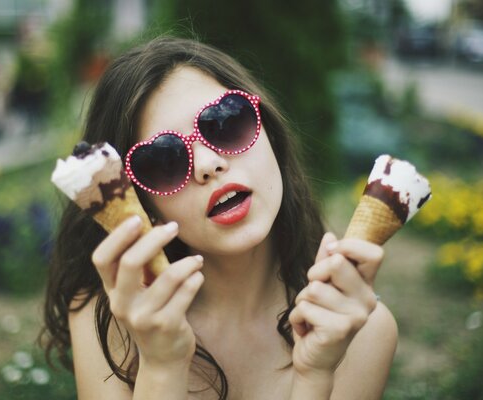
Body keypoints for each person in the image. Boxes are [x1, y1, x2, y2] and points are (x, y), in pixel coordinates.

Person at [41, 37, 397, 399]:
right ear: (141, 201)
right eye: (165, 160)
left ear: (268, 132)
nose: (209, 165)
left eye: (226, 123)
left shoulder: (359, 331)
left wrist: (316, 374)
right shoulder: (110, 323)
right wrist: (161, 365)